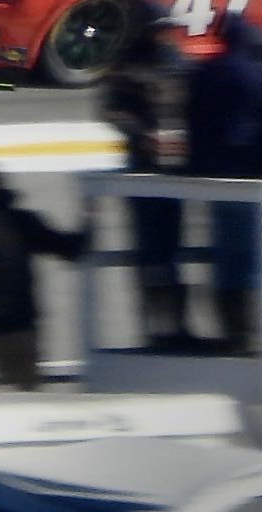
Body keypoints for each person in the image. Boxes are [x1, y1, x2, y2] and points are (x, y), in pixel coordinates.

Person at [186, 13, 262, 354]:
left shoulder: (207, 73)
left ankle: (233, 332)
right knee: (257, 257)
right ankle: (254, 332)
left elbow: (193, 120)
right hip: (256, 177)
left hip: (216, 177)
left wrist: (197, 167)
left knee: (226, 256)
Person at [0, 162, 85, 389]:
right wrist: (90, 217)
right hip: (22, 324)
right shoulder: (22, 222)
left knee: (5, 385)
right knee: (26, 387)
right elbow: (69, 248)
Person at [97, 19, 191, 348]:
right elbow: (109, 110)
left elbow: (190, 103)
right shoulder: (126, 65)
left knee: (172, 252)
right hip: (141, 169)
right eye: (160, 29)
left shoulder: (174, 62)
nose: (166, 35)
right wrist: (141, 134)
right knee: (149, 254)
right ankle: (151, 330)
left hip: (175, 169)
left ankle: (177, 328)